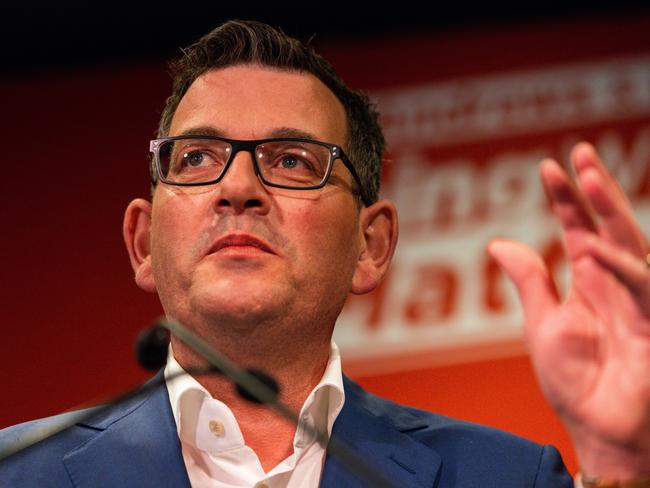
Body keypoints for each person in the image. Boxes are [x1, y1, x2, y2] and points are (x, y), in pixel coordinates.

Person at [1, 19, 649, 488]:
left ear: (371, 245)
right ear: (143, 242)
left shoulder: (503, 478)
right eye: (196, 157)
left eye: (291, 160)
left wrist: (623, 466)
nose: (237, 188)